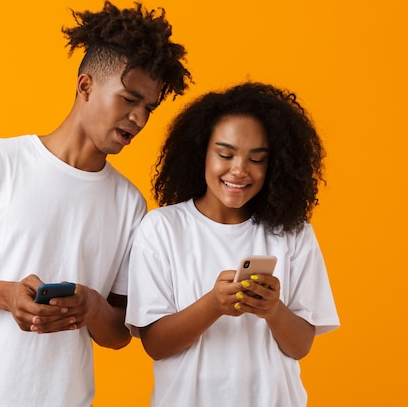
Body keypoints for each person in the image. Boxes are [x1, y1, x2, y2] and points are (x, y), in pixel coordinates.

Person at [0, 0, 191, 407]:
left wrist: (91, 305)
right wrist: (5, 295)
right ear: (86, 85)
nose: (139, 119)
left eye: (149, 107)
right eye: (129, 99)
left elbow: (118, 334)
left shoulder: (130, 204)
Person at [125, 82, 339, 407]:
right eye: (225, 154)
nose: (239, 170)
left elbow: (300, 346)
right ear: (202, 153)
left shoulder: (293, 232)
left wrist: (272, 310)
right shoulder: (162, 229)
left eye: (257, 159)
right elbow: (155, 344)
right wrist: (213, 304)